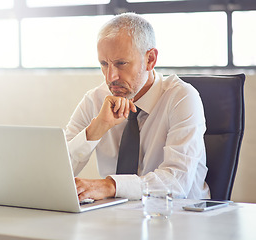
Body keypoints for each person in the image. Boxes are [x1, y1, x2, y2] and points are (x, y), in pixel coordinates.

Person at [65, 12, 210, 201]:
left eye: (121, 63)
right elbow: (56, 172)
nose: (110, 77)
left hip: (180, 217)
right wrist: (95, 129)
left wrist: (110, 186)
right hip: (117, 217)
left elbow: (177, 181)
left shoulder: (182, 97)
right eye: (104, 64)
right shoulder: (95, 99)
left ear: (150, 59)